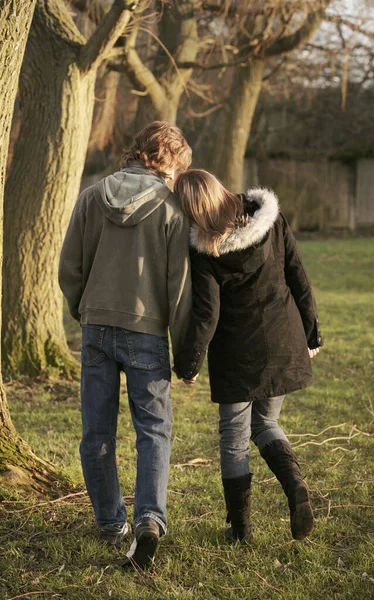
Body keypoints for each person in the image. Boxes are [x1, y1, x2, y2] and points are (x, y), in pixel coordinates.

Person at [59, 121, 192, 570]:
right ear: (165, 159)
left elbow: (69, 267)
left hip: (96, 326)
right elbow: (179, 286)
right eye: (177, 168)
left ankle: (110, 522)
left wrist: (85, 310)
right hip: (147, 331)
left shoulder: (91, 195)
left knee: (97, 431)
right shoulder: (172, 207)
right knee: (152, 430)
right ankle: (149, 520)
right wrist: (184, 345)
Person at [174, 170, 323, 543]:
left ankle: (241, 531)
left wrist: (190, 363)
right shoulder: (269, 220)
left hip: (237, 354)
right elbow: (298, 276)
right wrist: (312, 332)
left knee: (234, 438)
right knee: (266, 423)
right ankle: (295, 488)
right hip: (283, 338)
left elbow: (207, 314)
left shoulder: (204, 248)